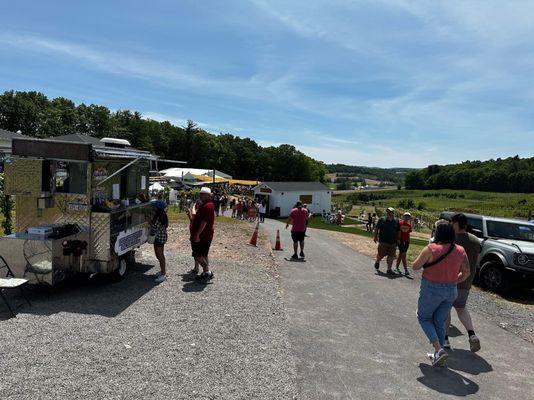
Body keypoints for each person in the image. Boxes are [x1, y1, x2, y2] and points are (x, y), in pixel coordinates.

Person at [413, 223, 470, 367]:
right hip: (451, 290)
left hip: (432, 288)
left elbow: (415, 266)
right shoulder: (460, 250)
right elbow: (466, 272)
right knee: (440, 320)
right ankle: (440, 352)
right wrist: (453, 280)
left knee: (424, 317)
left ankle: (439, 350)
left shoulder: (431, 249)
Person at [444, 213, 482, 352]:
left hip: (450, 280)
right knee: (461, 308)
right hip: (466, 282)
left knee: (445, 310)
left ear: (455, 224)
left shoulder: (451, 239)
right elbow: (475, 262)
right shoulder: (476, 240)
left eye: (451, 223)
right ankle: (472, 335)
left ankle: (445, 339)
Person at [190, 187, 216, 282]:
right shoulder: (206, 205)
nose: (200, 195)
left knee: (197, 255)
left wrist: (197, 234)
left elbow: (204, 222)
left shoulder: (207, 206)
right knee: (204, 254)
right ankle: (206, 273)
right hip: (205, 235)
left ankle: (207, 271)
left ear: (208, 195)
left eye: (202, 194)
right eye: (200, 193)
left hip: (203, 236)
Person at [373, 207, 400, 274]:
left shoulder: (396, 221)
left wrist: (398, 239)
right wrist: (375, 237)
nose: (389, 213)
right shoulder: (382, 220)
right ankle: (377, 261)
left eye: (390, 212)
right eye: (388, 212)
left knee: (391, 256)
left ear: (393, 213)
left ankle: (389, 269)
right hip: (383, 241)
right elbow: (377, 228)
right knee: (381, 254)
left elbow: (398, 231)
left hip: (393, 242)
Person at [151, 200, 169, 283]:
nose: (153, 208)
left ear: (157, 208)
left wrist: (149, 221)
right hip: (161, 237)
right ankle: (162, 271)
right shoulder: (162, 215)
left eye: (154, 207)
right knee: (159, 255)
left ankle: (163, 274)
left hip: (159, 238)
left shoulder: (159, 217)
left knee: (160, 256)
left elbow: (154, 228)